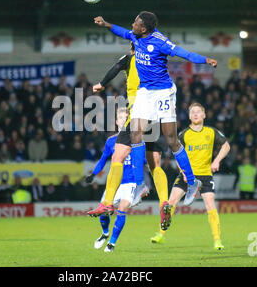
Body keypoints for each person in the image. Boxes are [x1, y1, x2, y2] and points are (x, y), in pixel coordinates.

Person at [88, 11, 217, 219]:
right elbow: (122, 32)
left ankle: (192, 182)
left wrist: (205, 59)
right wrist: (106, 24)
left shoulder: (160, 42)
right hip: (145, 93)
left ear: (145, 28)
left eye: (136, 23)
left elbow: (184, 53)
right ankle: (140, 185)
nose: (133, 24)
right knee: (136, 133)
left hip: (164, 92)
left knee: (172, 139)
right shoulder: (135, 36)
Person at [90, 42, 172, 229]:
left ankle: (108, 201)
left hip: (137, 113)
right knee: (155, 164)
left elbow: (115, 68)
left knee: (118, 156)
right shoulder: (157, 61)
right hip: (156, 116)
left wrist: (101, 84)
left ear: (133, 49)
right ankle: (164, 202)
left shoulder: (130, 58)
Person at [151, 103, 230, 251]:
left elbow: (226, 146)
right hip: (187, 175)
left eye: (198, 112)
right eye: (192, 112)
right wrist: (184, 172)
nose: (195, 114)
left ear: (204, 115)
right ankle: (160, 234)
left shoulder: (212, 132)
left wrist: (217, 160)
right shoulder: (183, 134)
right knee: (171, 202)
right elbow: (177, 154)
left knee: (210, 204)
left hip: (205, 174)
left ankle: (217, 240)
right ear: (189, 116)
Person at [85, 108, 149, 252]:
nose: (123, 120)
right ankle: (105, 233)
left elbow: (144, 160)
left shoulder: (138, 140)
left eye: (126, 117)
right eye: (121, 117)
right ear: (116, 121)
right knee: (104, 211)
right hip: (115, 182)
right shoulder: (111, 141)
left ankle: (112, 243)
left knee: (122, 210)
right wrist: (93, 174)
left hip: (130, 182)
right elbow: (103, 160)